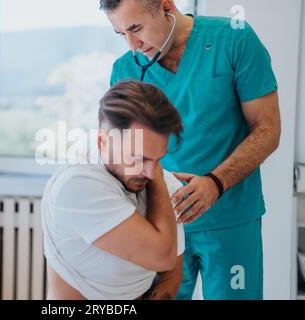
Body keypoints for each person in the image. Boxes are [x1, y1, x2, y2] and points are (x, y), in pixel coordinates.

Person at [101, 0, 281, 299]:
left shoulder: (235, 40)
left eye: (136, 28)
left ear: (166, 7)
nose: (132, 45)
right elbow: (122, 156)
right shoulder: (123, 71)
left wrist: (215, 183)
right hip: (160, 226)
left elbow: (267, 129)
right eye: (121, 33)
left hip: (230, 219)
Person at [41, 80, 185, 300]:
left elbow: (171, 275)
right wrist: (159, 177)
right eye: (137, 158)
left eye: (157, 159)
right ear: (102, 141)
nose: (149, 171)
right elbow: (162, 256)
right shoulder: (77, 184)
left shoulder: (161, 182)